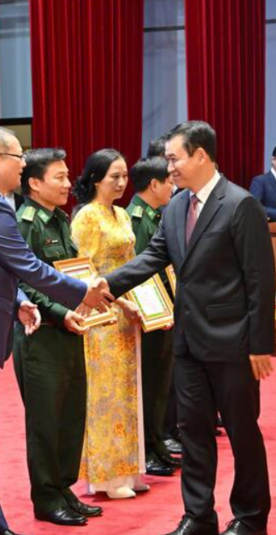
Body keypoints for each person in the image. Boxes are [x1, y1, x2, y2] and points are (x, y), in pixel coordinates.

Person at [102, 121, 276, 535]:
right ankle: (198, 516)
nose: (170, 167)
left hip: (234, 344)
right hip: (189, 344)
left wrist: (261, 345)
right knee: (194, 434)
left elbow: (259, 279)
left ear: (201, 155)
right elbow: (153, 257)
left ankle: (250, 518)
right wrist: (104, 285)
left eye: (175, 158)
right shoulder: (177, 206)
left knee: (242, 435)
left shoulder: (240, 204)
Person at [0, 126, 111, 535]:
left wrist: (18, 303)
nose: (23, 163)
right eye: (18, 156)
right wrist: (83, 294)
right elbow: (29, 267)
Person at [13, 148, 102, 527]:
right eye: (59, 177)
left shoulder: (61, 220)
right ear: (34, 183)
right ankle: (46, 498)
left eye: (68, 176)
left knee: (70, 416)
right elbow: (22, 281)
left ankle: (64, 487)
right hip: (42, 334)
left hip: (70, 330)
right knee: (45, 422)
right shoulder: (26, 223)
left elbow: (71, 274)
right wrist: (62, 312)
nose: (69, 184)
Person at [71, 148, 147, 500]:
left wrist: (142, 304)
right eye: (113, 176)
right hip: (101, 314)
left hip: (127, 312)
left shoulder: (121, 214)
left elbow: (133, 266)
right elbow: (86, 272)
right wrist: (121, 303)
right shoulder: (87, 216)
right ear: (95, 178)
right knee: (105, 394)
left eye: (124, 176)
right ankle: (104, 476)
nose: (120, 182)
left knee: (128, 391)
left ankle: (129, 469)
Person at [128, 156, 180, 477]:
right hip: (149, 310)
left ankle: (158, 442)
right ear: (154, 184)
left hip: (165, 308)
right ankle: (146, 447)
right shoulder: (136, 218)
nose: (173, 187)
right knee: (149, 383)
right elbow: (140, 271)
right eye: (169, 182)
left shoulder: (157, 214)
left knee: (162, 382)